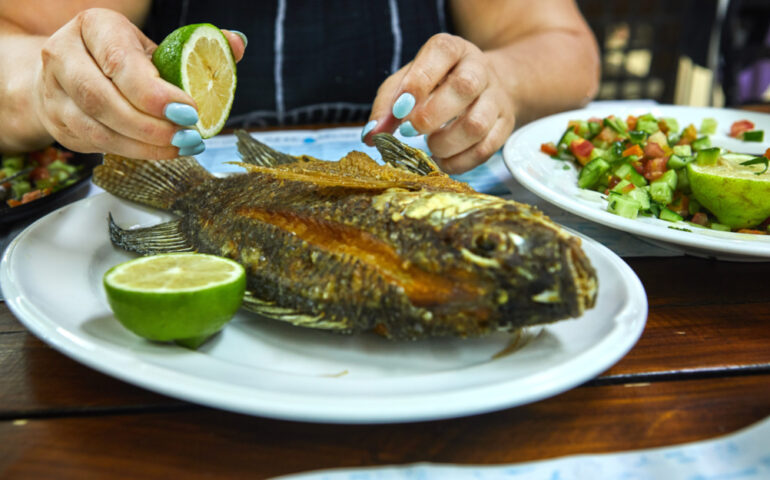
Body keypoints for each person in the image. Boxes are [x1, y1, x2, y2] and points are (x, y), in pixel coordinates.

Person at [0, 1, 599, 174]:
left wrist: (500, 82)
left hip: (409, 195)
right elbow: (16, 39)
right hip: (177, 193)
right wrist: (45, 82)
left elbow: (561, 43)